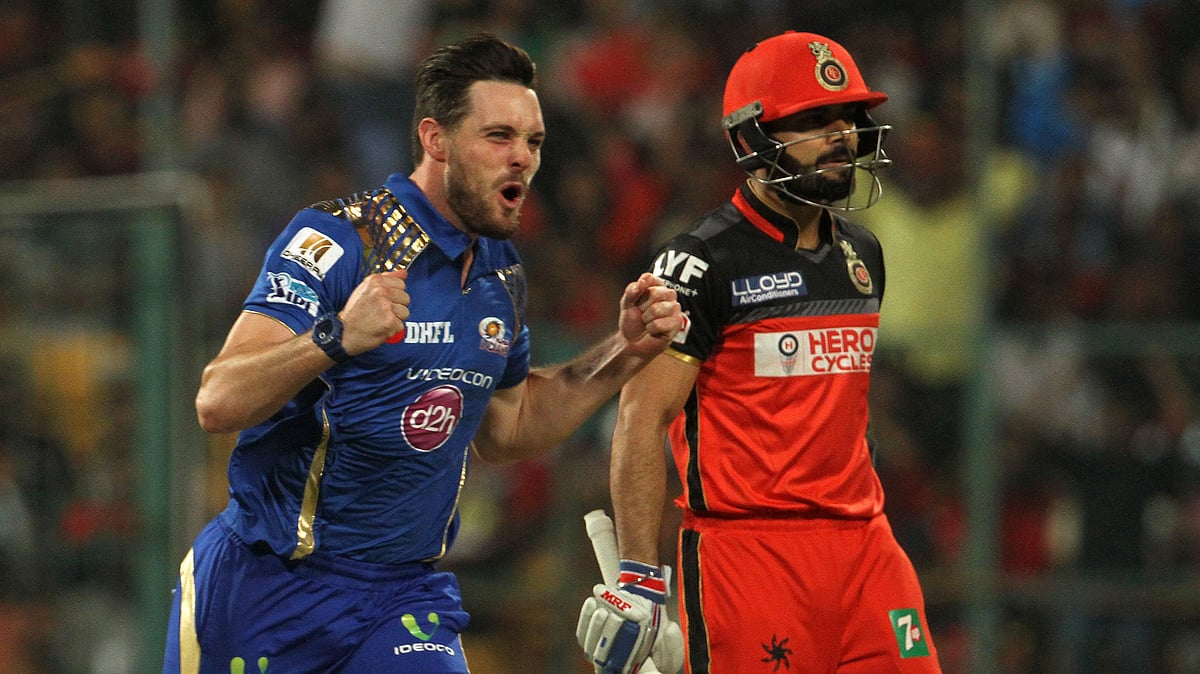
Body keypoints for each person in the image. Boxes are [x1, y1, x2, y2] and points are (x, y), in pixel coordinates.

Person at [162, 33, 682, 674]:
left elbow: (508, 428)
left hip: (402, 599)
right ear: (435, 139)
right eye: (499, 137)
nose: (522, 159)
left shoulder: (501, 275)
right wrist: (336, 337)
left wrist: (624, 353)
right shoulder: (341, 238)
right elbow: (217, 401)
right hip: (269, 591)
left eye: (534, 142)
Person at [577, 31, 942, 673]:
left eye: (848, 118)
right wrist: (637, 576)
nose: (842, 135)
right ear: (752, 139)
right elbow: (640, 418)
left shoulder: (864, 255)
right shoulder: (698, 263)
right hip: (749, 555)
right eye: (813, 120)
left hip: (866, 544)